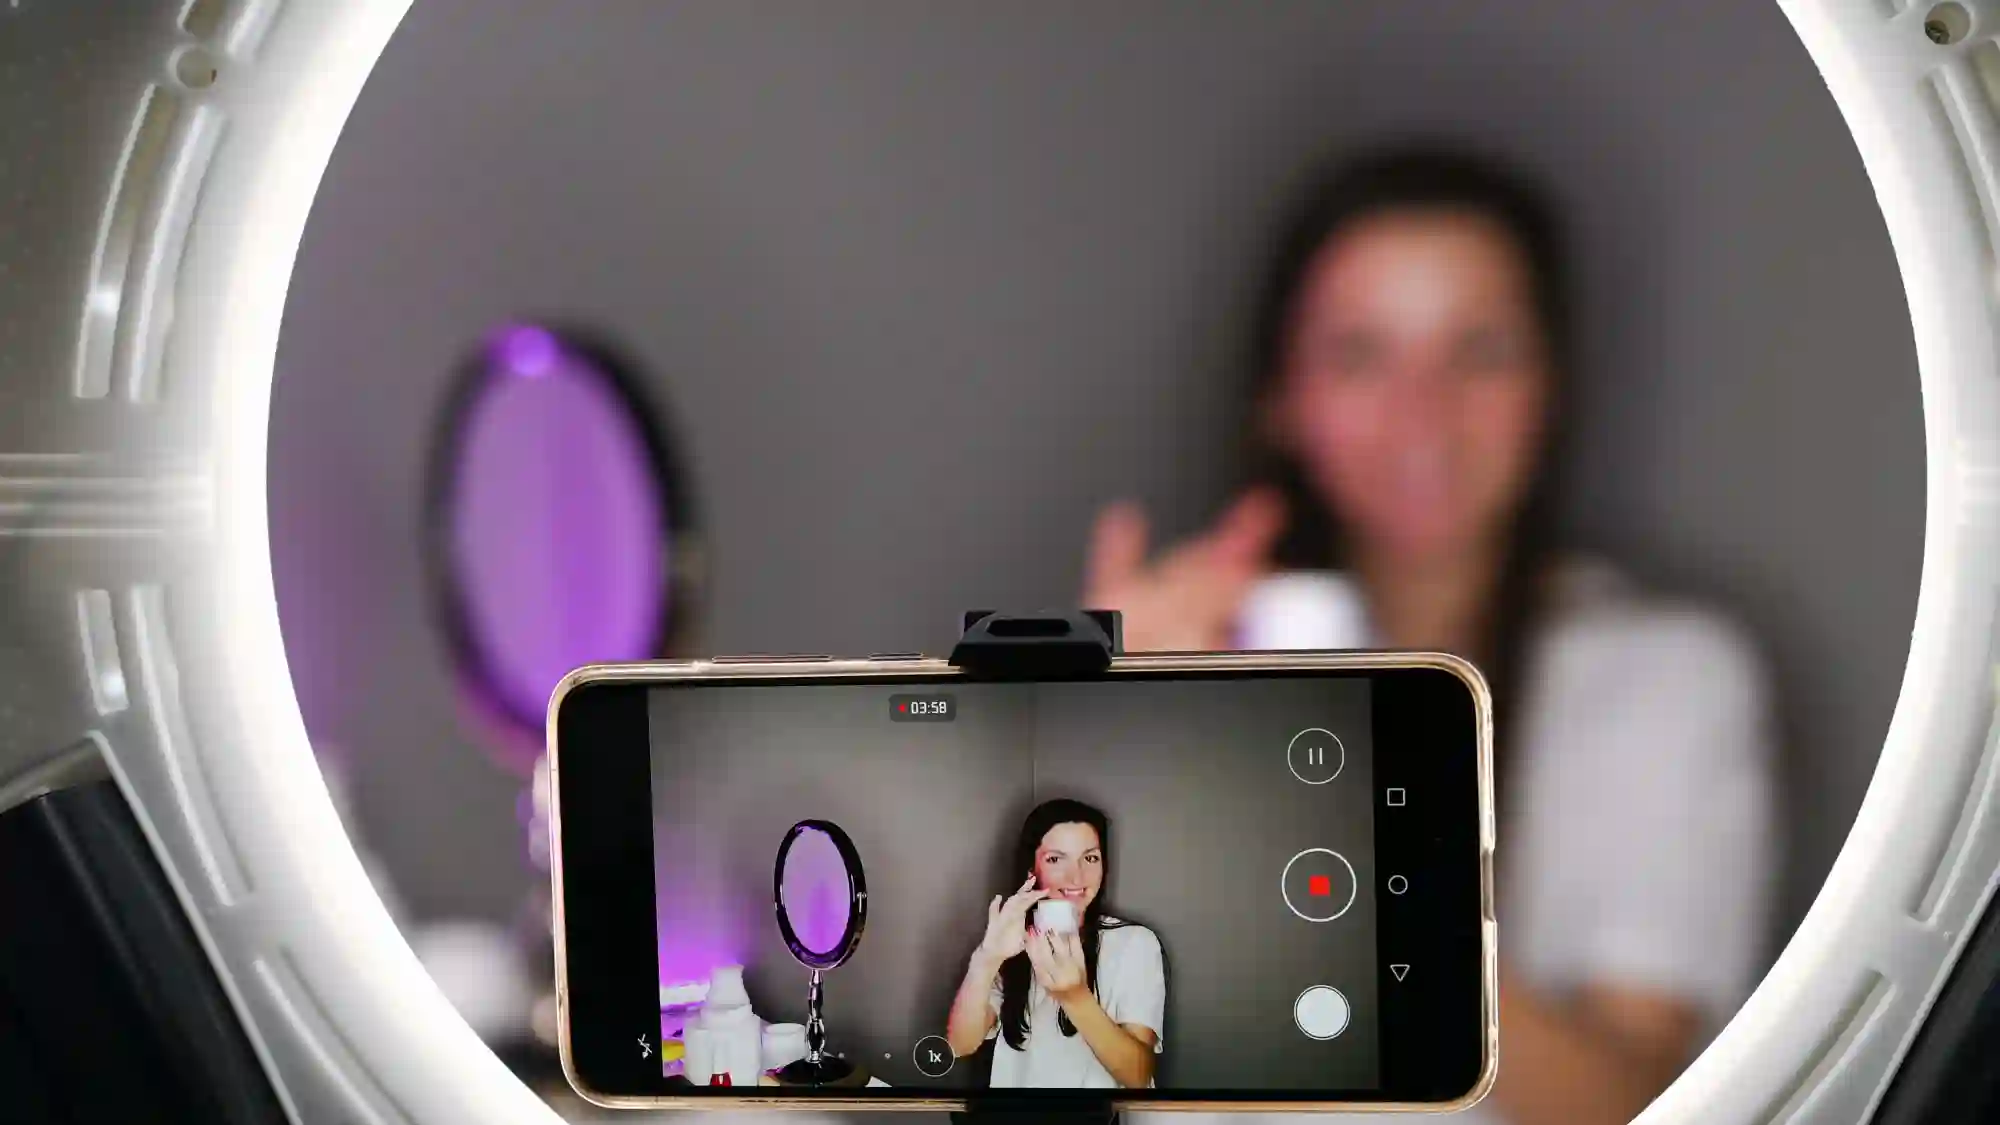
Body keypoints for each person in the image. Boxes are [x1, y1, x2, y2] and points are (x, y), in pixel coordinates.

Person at [1081, 146, 1776, 1125]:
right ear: (1280, 399)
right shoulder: (1191, 659)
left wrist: (1350, 838)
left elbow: (1633, 1103)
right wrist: (1085, 736)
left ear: (1550, 387)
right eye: (1360, 354)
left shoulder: (1663, 677)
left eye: (1480, 350)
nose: (1422, 413)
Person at [944, 798, 1166, 1089]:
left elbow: (1138, 1076)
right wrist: (987, 958)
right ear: (1030, 871)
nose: (1076, 877)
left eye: (1090, 858)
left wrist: (1075, 997)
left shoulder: (1134, 944)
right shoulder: (1016, 942)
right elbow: (961, 1045)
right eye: (1055, 859)